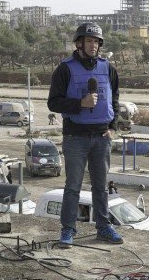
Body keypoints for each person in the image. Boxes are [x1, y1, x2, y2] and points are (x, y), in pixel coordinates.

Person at [47, 22, 122, 248]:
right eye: (89, 41)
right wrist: (80, 103)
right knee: (73, 187)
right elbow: (53, 102)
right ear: (79, 43)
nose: (93, 45)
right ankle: (68, 230)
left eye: (96, 42)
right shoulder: (64, 69)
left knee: (101, 186)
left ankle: (103, 227)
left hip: (102, 137)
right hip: (75, 138)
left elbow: (115, 98)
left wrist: (113, 126)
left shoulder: (107, 68)